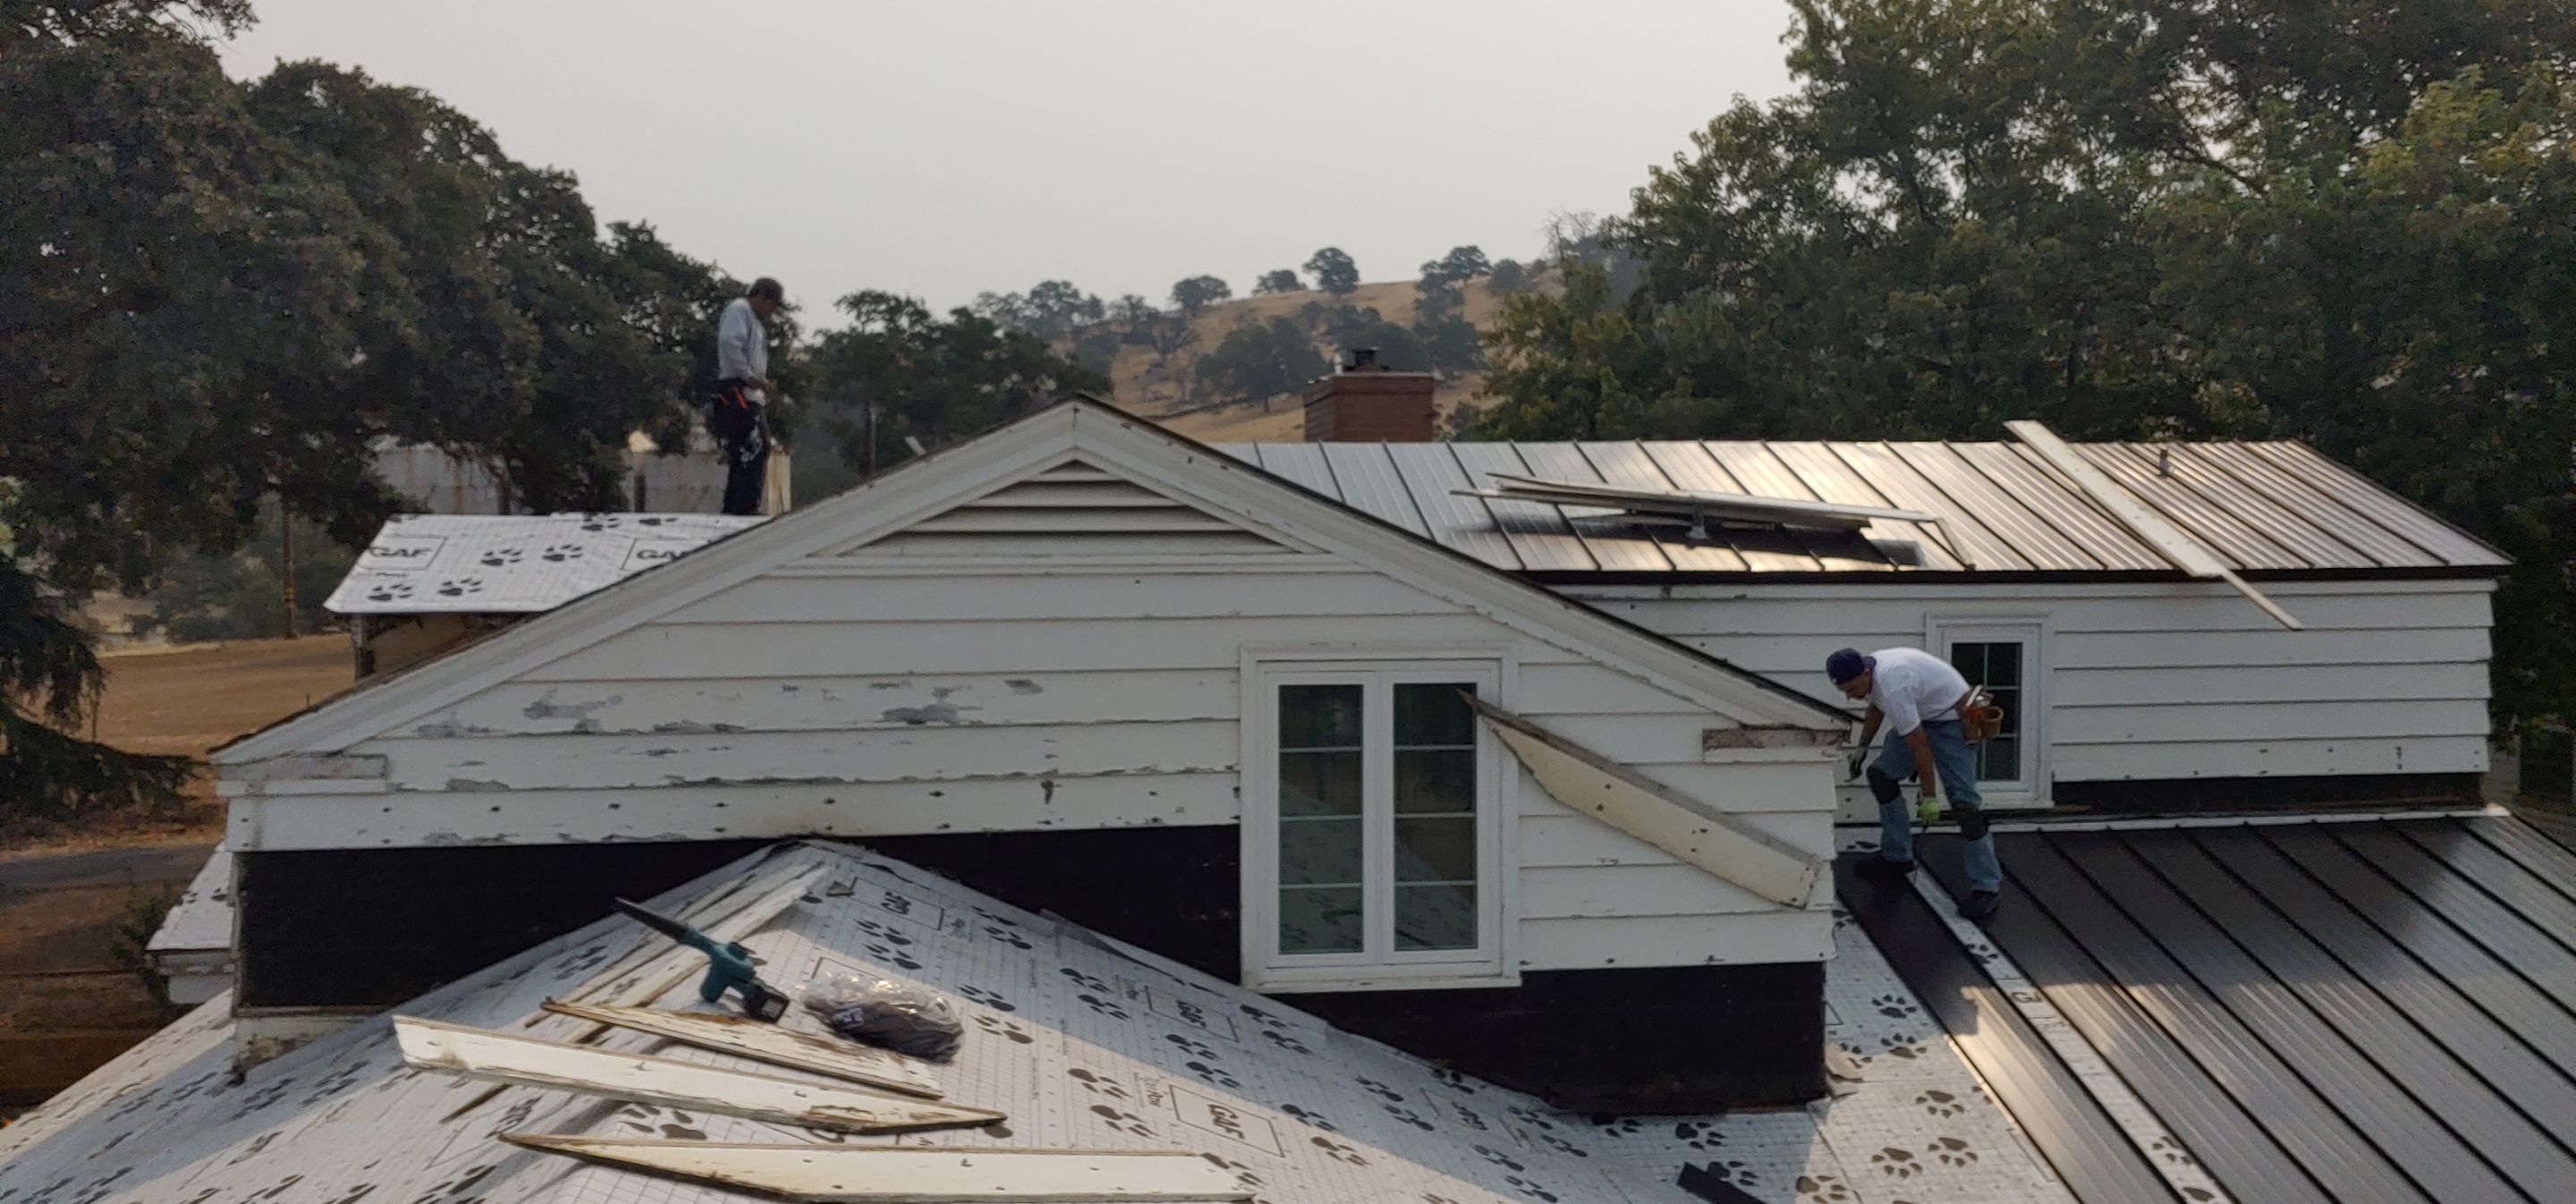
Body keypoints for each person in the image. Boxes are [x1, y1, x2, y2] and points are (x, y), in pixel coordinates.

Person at [1828, 647, 2002, 920]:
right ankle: (1897, 857)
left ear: (1865, 673)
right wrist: (1862, 747)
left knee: (1965, 807)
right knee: (1881, 776)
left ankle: (1987, 888)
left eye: (1851, 688)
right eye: (1844, 691)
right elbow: (1876, 705)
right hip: (1924, 716)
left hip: (1953, 721)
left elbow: (1920, 746)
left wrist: (1930, 798)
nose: (1849, 696)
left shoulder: (1894, 683)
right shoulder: (1872, 675)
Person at [710, 277, 785, 516]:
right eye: (771, 305)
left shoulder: (755, 322)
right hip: (738, 390)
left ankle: (739, 506)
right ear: (761, 296)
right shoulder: (740, 310)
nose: (770, 312)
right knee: (751, 448)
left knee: (753, 449)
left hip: (749, 392)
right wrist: (749, 376)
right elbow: (729, 342)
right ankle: (742, 508)